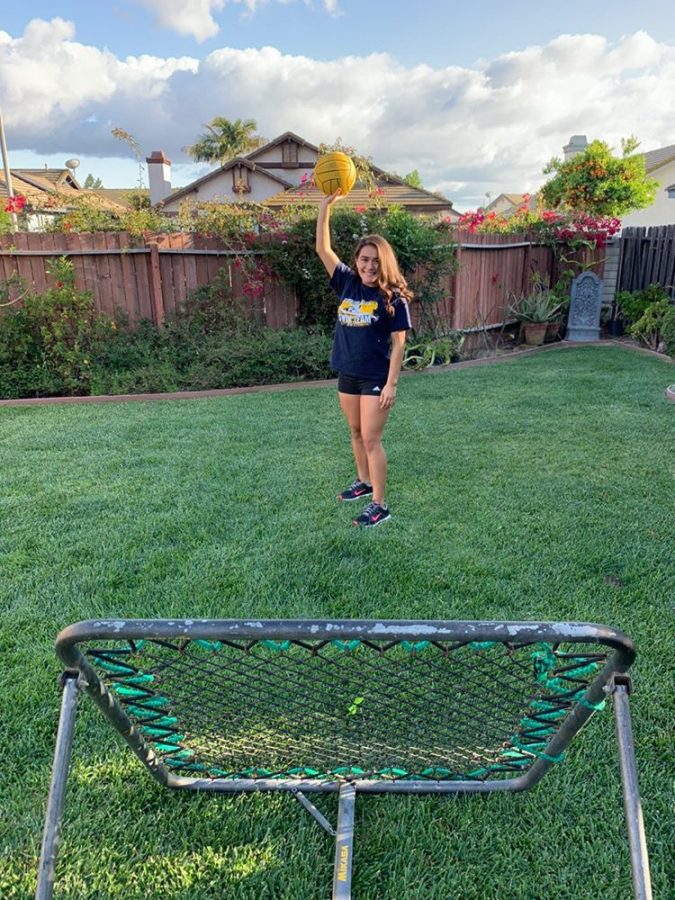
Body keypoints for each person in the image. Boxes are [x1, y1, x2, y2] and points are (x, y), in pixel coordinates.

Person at [315, 190, 413, 527]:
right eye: (364, 259)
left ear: (384, 263)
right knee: (355, 433)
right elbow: (322, 249)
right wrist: (324, 207)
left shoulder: (394, 298)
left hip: (374, 377)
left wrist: (391, 385)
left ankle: (380, 504)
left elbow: (399, 344)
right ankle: (364, 481)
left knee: (371, 439)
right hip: (348, 372)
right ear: (356, 261)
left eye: (375, 260)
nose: (369, 266)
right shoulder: (346, 283)